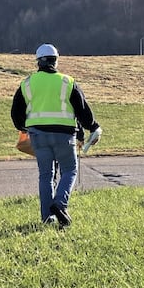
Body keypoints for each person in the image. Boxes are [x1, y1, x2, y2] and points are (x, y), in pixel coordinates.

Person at [11, 43, 102, 228]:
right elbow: (83, 110)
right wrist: (93, 127)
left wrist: (23, 127)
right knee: (69, 171)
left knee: (45, 175)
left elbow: (16, 113)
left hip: (38, 136)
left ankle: (47, 218)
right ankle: (60, 204)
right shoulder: (67, 82)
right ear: (56, 61)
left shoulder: (27, 83)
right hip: (64, 136)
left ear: (38, 62)